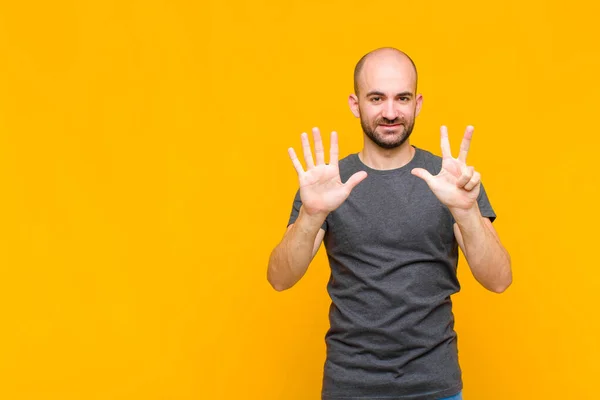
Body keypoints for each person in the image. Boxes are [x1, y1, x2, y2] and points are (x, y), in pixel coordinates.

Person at [266, 47, 512, 400]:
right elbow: (279, 278)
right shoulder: (328, 182)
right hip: (350, 387)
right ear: (355, 104)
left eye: (403, 98)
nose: (391, 112)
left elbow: (499, 280)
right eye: (377, 98)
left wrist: (466, 211)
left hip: (435, 387)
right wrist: (312, 214)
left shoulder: (449, 179)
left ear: (418, 103)